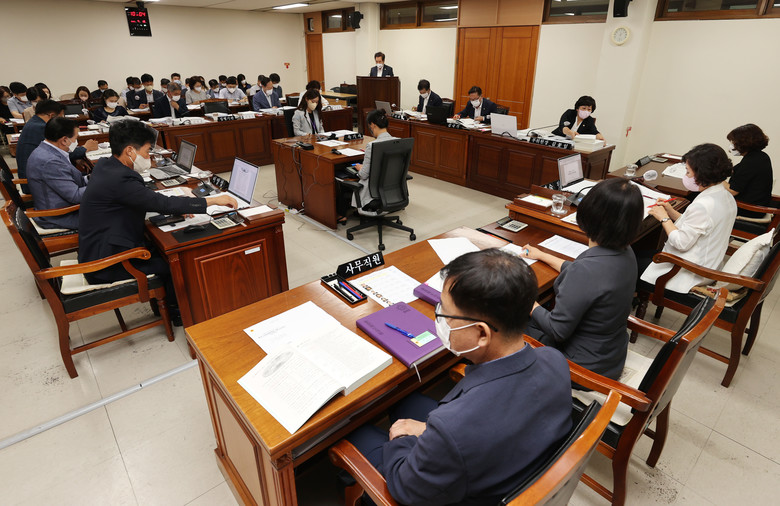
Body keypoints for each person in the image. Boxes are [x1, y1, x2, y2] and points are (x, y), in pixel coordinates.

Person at [341, 249, 572, 505]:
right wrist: (428, 431)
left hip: (459, 488)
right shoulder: (554, 360)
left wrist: (403, 437)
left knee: (353, 432)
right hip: (506, 461)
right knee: (404, 400)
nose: (440, 320)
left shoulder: (453, 428)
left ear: (482, 333)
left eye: (445, 315)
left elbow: (406, 489)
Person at [78, 121, 237, 326]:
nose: (149, 157)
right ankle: (178, 314)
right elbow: (161, 203)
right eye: (146, 152)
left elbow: (146, 199)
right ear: (130, 151)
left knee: (162, 245)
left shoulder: (107, 166)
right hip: (108, 262)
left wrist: (179, 206)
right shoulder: (121, 179)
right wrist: (213, 200)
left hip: (102, 246)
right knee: (175, 262)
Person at [520, 179, 644, 380]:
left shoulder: (587, 269)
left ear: (589, 214)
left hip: (581, 366)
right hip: (609, 356)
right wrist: (542, 255)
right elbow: (583, 275)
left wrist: (526, 301)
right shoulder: (626, 252)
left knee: (507, 322)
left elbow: (556, 330)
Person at [640, 143, 736, 293]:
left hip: (688, 271)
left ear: (702, 174)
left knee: (629, 262)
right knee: (640, 253)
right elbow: (696, 226)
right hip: (706, 263)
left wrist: (664, 218)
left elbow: (681, 243)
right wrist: (670, 211)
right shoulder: (725, 196)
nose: (686, 176)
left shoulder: (704, 205)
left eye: (688, 172)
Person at [16, 100, 97, 194]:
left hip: (37, 176)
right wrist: (85, 148)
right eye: (61, 118)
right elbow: (58, 150)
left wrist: (77, 157)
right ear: (52, 116)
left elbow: (58, 149)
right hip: (37, 184)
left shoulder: (34, 122)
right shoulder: (42, 127)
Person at [26, 117, 87, 230]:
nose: (76, 142)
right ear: (64, 140)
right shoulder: (50, 161)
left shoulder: (46, 150)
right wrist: (103, 184)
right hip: (61, 215)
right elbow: (75, 196)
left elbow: (68, 179)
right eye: (75, 138)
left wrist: (92, 178)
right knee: (116, 212)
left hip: (58, 204)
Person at [725, 124, 773, 219]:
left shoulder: (750, 162)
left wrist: (716, 179)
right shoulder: (761, 156)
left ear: (744, 143)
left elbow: (732, 191)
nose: (731, 146)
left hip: (748, 210)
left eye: (734, 142)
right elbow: (737, 172)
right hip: (757, 206)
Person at [352, 109, 396, 208]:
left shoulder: (372, 146)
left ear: (372, 125)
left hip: (373, 195)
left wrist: (360, 168)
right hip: (392, 192)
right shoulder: (398, 142)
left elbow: (363, 175)